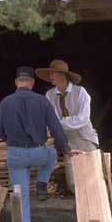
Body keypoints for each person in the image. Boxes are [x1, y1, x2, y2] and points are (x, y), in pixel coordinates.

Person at [0, 66, 80, 222]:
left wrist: (10, 139)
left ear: (16, 82)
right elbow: (55, 128)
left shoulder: (5, 102)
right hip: (38, 153)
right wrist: (66, 149)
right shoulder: (42, 101)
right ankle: (41, 184)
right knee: (52, 153)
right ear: (32, 83)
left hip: (15, 155)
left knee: (21, 197)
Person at [35, 59, 99, 194]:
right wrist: (55, 125)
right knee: (73, 180)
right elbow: (48, 118)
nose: (50, 76)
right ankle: (81, 208)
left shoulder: (80, 92)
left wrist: (58, 123)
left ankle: (97, 209)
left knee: (93, 176)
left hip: (84, 137)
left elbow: (83, 118)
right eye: (50, 73)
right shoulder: (50, 95)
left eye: (53, 73)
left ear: (63, 75)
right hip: (66, 140)